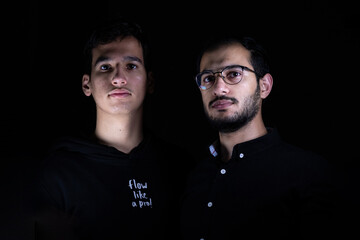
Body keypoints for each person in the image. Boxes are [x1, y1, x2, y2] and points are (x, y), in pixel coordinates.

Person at [28, 17, 187, 240]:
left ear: (150, 82)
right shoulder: (56, 174)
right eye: (105, 67)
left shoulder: (180, 168)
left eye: (131, 66)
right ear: (87, 84)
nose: (118, 78)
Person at [180, 36, 338, 240]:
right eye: (208, 79)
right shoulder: (193, 177)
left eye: (234, 74)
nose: (219, 89)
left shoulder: (308, 172)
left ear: (264, 86)